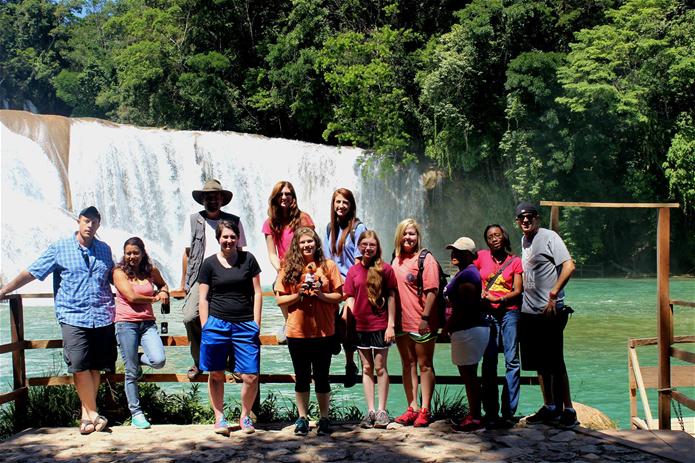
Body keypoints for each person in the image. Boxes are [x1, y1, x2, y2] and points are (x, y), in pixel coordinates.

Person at [0, 206, 116, 435]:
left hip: (102, 315)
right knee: (79, 365)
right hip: (73, 315)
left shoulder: (104, 249)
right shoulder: (60, 248)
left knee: (95, 367)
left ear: (99, 225)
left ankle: (86, 418)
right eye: (86, 221)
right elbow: (32, 271)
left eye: (94, 222)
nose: (89, 225)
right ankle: (94, 414)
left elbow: (116, 277)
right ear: (78, 222)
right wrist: (5, 289)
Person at [274, 227, 342, 436]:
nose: (306, 246)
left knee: (322, 377)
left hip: (323, 331)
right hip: (297, 332)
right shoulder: (288, 268)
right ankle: (302, 418)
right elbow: (280, 299)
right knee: (302, 376)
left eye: (310, 242)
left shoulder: (328, 266)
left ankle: (324, 418)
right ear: (297, 245)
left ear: (316, 243)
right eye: (302, 242)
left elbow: (338, 296)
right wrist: (299, 295)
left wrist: (321, 294)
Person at [515, 202, 578, 428]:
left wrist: (553, 294)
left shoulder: (550, 237)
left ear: (537, 218)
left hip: (550, 310)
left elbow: (569, 266)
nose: (525, 220)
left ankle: (569, 409)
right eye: (521, 218)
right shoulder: (524, 241)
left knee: (555, 361)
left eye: (530, 216)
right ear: (517, 222)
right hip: (530, 312)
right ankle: (550, 406)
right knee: (540, 363)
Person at [179, 179, 248, 380]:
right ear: (202, 199)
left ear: (221, 199)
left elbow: (241, 251)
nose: (212, 200)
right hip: (200, 279)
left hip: (228, 278)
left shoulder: (233, 220)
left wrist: (242, 279)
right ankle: (200, 360)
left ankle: (233, 363)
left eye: (216, 196)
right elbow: (187, 253)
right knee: (190, 317)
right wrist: (184, 283)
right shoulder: (193, 220)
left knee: (232, 317)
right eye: (208, 197)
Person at [198, 220, 262, 435]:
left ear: (238, 238)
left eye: (232, 236)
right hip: (216, 322)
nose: (229, 240)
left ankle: (245, 416)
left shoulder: (248, 259)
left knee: (251, 375)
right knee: (216, 372)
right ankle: (219, 417)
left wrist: (256, 323)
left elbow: (258, 292)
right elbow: (203, 297)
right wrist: (205, 325)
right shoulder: (208, 264)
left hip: (245, 323)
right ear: (218, 239)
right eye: (225, 236)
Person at [113, 237, 169, 429]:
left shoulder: (151, 270)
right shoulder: (119, 272)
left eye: (135, 252)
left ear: (142, 253)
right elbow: (131, 296)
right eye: (128, 253)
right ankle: (136, 413)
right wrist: (154, 298)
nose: (132, 256)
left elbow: (163, 285)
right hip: (125, 323)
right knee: (131, 372)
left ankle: (133, 358)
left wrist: (164, 292)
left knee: (158, 360)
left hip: (147, 323)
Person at [343, 230, 397, 429]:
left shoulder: (386, 269)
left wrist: (391, 324)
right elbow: (349, 296)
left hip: (380, 325)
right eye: (364, 244)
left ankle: (382, 410)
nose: (368, 248)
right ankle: (371, 411)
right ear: (359, 247)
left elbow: (392, 297)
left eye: (371, 245)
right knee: (367, 368)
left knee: (380, 367)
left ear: (377, 247)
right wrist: (349, 318)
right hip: (360, 326)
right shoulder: (353, 271)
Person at [391, 218, 439, 427]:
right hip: (402, 322)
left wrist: (425, 318)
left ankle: (425, 409)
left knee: (424, 365)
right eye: (405, 233)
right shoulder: (396, 259)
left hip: (421, 321)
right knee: (407, 364)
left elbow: (432, 291)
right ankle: (412, 406)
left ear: (418, 236)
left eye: (412, 234)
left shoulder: (426, 259)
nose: (408, 237)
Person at [475, 224, 523, 429]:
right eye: (490, 236)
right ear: (486, 241)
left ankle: (508, 411)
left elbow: (518, 290)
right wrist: (480, 294)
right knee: (489, 360)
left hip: (509, 312)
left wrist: (501, 298)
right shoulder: (481, 257)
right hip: (488, 314)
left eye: (497, 235)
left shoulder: (515, 261)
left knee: (512, 361)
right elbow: (469, 272)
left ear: (504, 237)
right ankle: (491, 411)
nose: (494, 238)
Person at [442, 237, 489, 432]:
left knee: (469, 376)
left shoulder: (468, 275)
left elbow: (465, 307)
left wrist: (447, 327)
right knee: (470, 375)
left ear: (469, 255)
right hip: (469, 329)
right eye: (453, 250)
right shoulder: (467, 273)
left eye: (459, 252)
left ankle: (475, 419)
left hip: (468, 328)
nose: (454, 254)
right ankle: (474, 415)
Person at [323, 188, 367, 388]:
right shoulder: (329, 229)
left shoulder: (358, 228)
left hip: (352, 284)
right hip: (333, 283)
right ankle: (325, 365)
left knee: (346, 320)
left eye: (345, 203)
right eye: (337, 202)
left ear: (351, 206)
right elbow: (326, 260)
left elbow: (360, 262)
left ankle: (350, 365)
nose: (341, 206)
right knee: (326, 317)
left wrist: (347, 288)